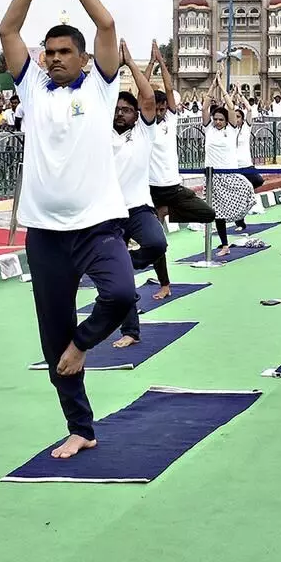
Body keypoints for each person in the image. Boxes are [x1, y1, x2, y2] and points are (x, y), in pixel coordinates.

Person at [0, 0, 138, 459]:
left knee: (121, 295)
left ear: (82, 58)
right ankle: (80, 427)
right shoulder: (32, 88)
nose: (54, 59)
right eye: (49, 52)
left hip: (97, 226)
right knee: (50, 337)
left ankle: (83, 346)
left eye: (63, 52)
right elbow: (8, 27)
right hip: (46, 237)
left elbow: (105, 24)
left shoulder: (99, 87)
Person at [112, 41, 170, 347]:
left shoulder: (144, 131)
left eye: (126, 110)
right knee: (122, 285)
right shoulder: (102, 133)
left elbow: (148, 96)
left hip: (138, 209)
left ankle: (118, 263)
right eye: (117, 109)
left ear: (137, 115)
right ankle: (130, 332)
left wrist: (130, 64)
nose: (120, 113)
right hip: (108, 214)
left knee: (157, 244)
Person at [147, 41, 217, 243]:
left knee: (207, 214)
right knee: (158, 242)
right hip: (151, 188)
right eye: (156, 109)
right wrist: (151, 64)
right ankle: (161, 275)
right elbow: (142, 92)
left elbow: (169, 88)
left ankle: (166, 211)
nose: (159, 113)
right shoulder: (144, 124)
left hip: (173, 187)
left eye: (162, 109)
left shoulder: (171, 118)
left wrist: (161, 62)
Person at [200, 80, 255, 255]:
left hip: (230, 174)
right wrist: (212, 86)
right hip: (212, 177)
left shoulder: (231, 130)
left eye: (220, 120)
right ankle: (225, 245)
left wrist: (222, 88)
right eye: (215, 119)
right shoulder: (209, 129)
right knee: (217, 213)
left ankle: (241, 221)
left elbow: (231, 108)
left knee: (247, 194)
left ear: (226, 121)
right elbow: (204, 108)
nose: (217, 122)